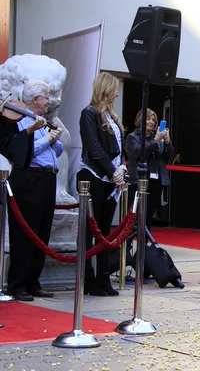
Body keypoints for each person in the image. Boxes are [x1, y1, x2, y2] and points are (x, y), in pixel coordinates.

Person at [6, 81, 62, 302]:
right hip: (28, 177)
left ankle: (33, 281)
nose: (48, 101)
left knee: (42, 231)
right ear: (35, 99)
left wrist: (54, 137)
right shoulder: (19, 120)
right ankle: (17, 283)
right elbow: (24, 150)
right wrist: (46, 139)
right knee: (25, 232)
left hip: (47, 176)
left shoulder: (45, 121)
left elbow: (55, 151)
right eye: (45, 97)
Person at [77, 72, 127, 297]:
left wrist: (121, 169)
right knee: (90, 229)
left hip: (111, 178)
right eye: (114, 89)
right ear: (106, 89)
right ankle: (88, 278)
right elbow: (94, 147)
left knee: (105, 230)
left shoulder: (113, 118)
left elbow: (119, 148)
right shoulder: (89, 114)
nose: (117, 94)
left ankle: (103, 276)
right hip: (94, 177)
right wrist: (112, 171)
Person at [125, 109, 174, 231]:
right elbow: (137, 152)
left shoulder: (157, 137)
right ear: (140, 120)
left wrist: (167, 141)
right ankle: (128, 245)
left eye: (153, 120)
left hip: (155, 181)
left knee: (148, 217)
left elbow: (168, 157)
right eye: (148, 119)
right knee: (134, 216)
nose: (151, 122)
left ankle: (144, 246)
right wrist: (156, 140)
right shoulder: (132, 137)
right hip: (138, 181)